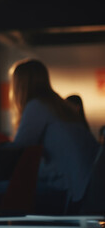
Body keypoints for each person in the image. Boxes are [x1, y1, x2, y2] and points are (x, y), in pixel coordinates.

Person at [8, 58, 100, 214]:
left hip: (75, 188)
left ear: (20, 86)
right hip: (91, 182)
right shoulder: (59, 105)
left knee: (11, 194)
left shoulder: (36, 106)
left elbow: (17, 149)